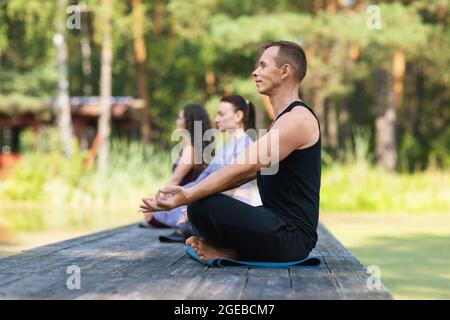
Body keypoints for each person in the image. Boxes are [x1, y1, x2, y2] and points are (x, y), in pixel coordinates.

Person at [140, 40, 321, 263]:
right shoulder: (282, 120)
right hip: (276, 225)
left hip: (292, 238)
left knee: (202, 205)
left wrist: (188, 195)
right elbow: (241, 175)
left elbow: (245, 166)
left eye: (263, 66)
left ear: (285, 71)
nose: (255, 72)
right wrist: (192, 195)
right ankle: (230, 250)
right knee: (201, 204)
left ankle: (232, 251)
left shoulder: (298, 119)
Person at [148, 95, 259, 242]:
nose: (216, 119)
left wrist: (192, 208)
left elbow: (233, 187)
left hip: (227, 204)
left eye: (221, 114)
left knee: (174, 214)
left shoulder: (246, 146)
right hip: (207, 198)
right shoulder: (229, 146)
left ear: (238, 116)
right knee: (163, 209)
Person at [139, 103, 212, 228]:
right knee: (148, 215)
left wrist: (155, 201)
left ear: (188, 122)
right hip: (184, 201)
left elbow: (175, 180)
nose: (177, 121)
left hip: (182, 204)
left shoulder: (191, 150)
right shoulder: (199, 148)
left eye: (180, 118)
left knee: (149, 215)